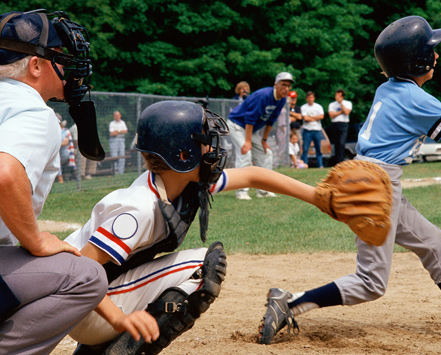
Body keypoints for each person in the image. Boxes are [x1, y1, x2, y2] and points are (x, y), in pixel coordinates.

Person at [258, 15, 441, 345]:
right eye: (431, 50)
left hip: (371, 177)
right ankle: (289, 302)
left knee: (434, 243)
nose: (437, 54)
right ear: (418, 60)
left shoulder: (393, 88)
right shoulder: (416, 99)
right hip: (375, 186)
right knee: (372, 282)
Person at [66, 100, 331, 354]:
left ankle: (96, 349)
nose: (213, 148)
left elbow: (253, 175)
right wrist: (117, 319)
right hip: (86, 307)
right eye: (205, 141)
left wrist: (318, 197)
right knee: (201, 267)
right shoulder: (140, 209)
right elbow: (79, 275)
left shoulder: (178, 181)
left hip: (92, 300)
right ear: (183, 155)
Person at [0, 10, 107, 354]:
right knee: (86, 277)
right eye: (60, 58)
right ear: (35, 66)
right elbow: (4, 175)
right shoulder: (31, 109)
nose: (70, 67)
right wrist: (34, 239)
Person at [227, 71, 294, 200]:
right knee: (245, 152)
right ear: (276, 84)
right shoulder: (263, 95)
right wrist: (247, 142)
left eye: (289, 86)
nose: (286, 88)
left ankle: (263, 190)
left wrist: (263, 140)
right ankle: (241, 191)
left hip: (249, 128)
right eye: (284, 85)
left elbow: (271, 121)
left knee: (267, 153)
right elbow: (249, 119)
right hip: (237, 124)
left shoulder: (282, 99)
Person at [300, 91, 325, 168]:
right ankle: (304, 165)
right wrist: (316, 118)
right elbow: (305, 118)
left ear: (314, 98)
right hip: (307, 130)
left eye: (312, 97)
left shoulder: (318, 106)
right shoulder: (303, 107)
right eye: (309, 97)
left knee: (318, 149)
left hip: (317, 130)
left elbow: (321, 116)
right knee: (305, 149)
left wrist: (310, 117)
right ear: (307, 98)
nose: (310, 99)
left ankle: (320, 165)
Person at [328, 89, 353, 163]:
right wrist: (341, 111)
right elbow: (332, 115)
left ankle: (341, 160)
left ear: (342, 96)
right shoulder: (332, 104)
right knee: (336, 143)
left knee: (342, 143)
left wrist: (341, 104)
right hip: (335, 124)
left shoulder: (348, 103)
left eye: (338, 95)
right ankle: (337, 161)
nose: (336, 97)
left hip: (344, 124)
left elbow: (346, 112)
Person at [109, 110, 128, 174]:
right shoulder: (112, 123)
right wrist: (121, 131)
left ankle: (121, 172)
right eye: (115, 115)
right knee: (114, 156)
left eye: (118, 115)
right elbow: (112, 133)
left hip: (121, 140)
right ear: (114, 116)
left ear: (120, 116)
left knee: (122, 156)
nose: (117, 116)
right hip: (114, 140)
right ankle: (115, 172)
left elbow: (125, 131)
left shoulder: (122, 122)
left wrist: (117, 131)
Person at [57, 118, 76, 183]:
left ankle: (61, 179)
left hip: (63, 154)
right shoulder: (50, 131)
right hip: (53, 153)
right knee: (55, 157)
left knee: (56, 159)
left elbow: (66, 142)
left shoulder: (64, 131)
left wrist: (55, 145)